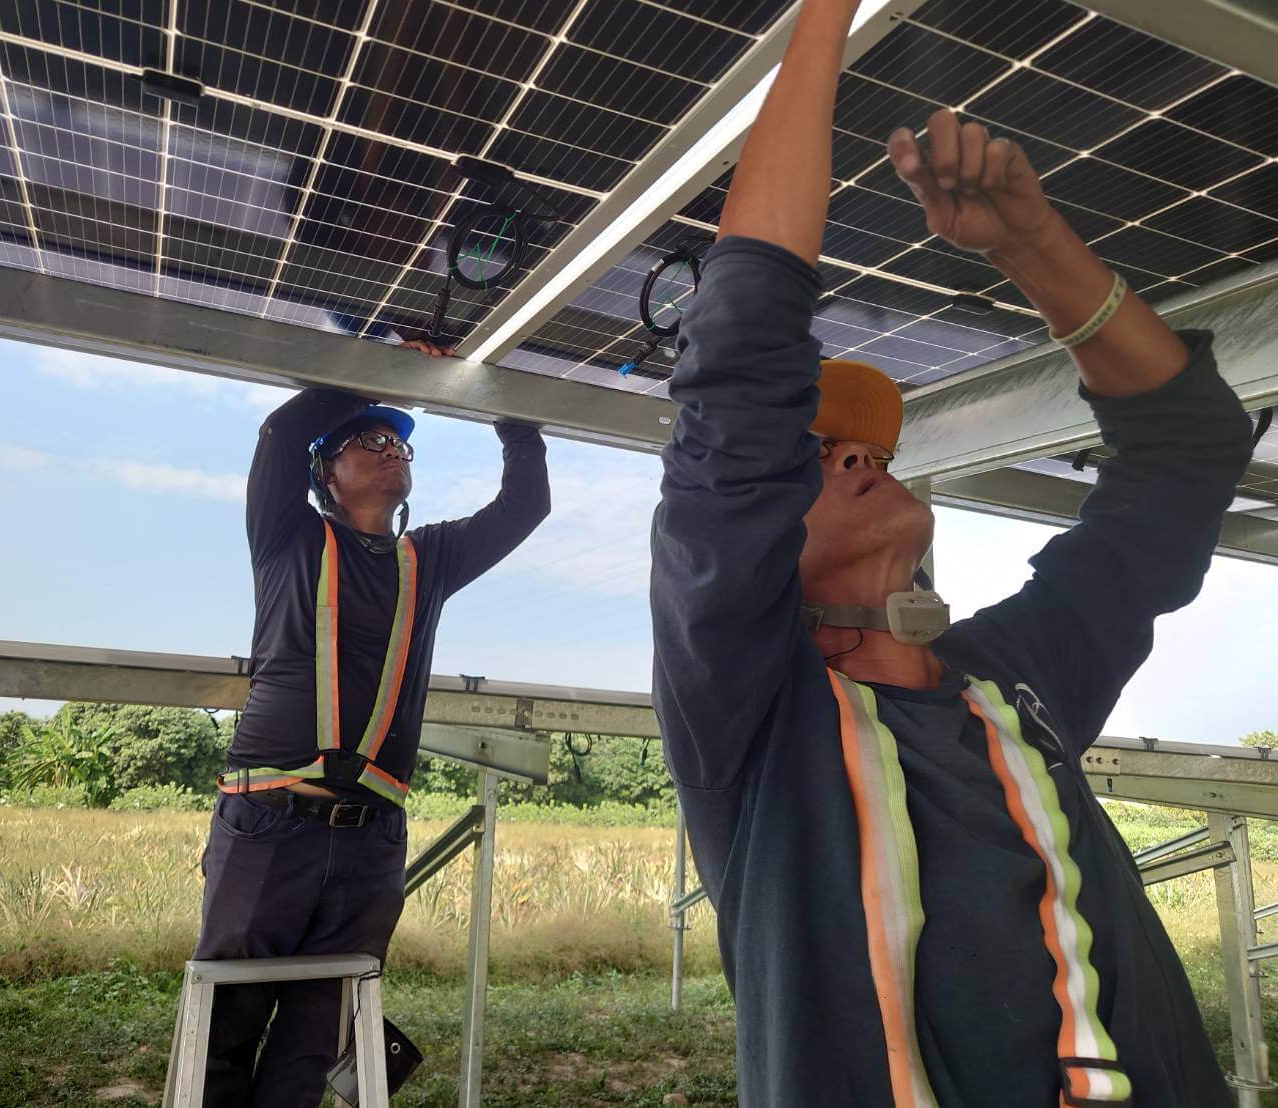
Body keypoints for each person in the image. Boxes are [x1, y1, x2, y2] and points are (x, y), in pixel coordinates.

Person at [649, 0, 1253, 1104]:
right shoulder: (754, 721)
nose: (852, 455)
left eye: (866, 446)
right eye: (810, 450)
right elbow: (738, 361)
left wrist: (1031, 242)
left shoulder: (1019, 675)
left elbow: (1188, 448)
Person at [194, 339, 550, 1106]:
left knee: (317, 1031)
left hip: (370, 839)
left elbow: (525, 507)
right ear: (325, 473)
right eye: (370, 440)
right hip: (268, 821)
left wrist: (511, 412)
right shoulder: (287, 536)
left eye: (399, 444)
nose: (392, 451)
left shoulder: (430, 558)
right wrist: (382, 373)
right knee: (226, 1020)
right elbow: (279, 434)